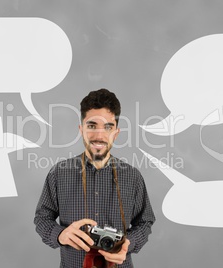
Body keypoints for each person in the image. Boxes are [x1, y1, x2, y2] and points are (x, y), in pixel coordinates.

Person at [34, 88, 155, 267]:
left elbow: (145, 222)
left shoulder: (133, 176)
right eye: (91, 126)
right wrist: (60, 235)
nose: (99, 135)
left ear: (116, 132)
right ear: (81, 129)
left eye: (108, 127)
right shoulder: (58, 173)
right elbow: (42, 217)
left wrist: (128, 244)